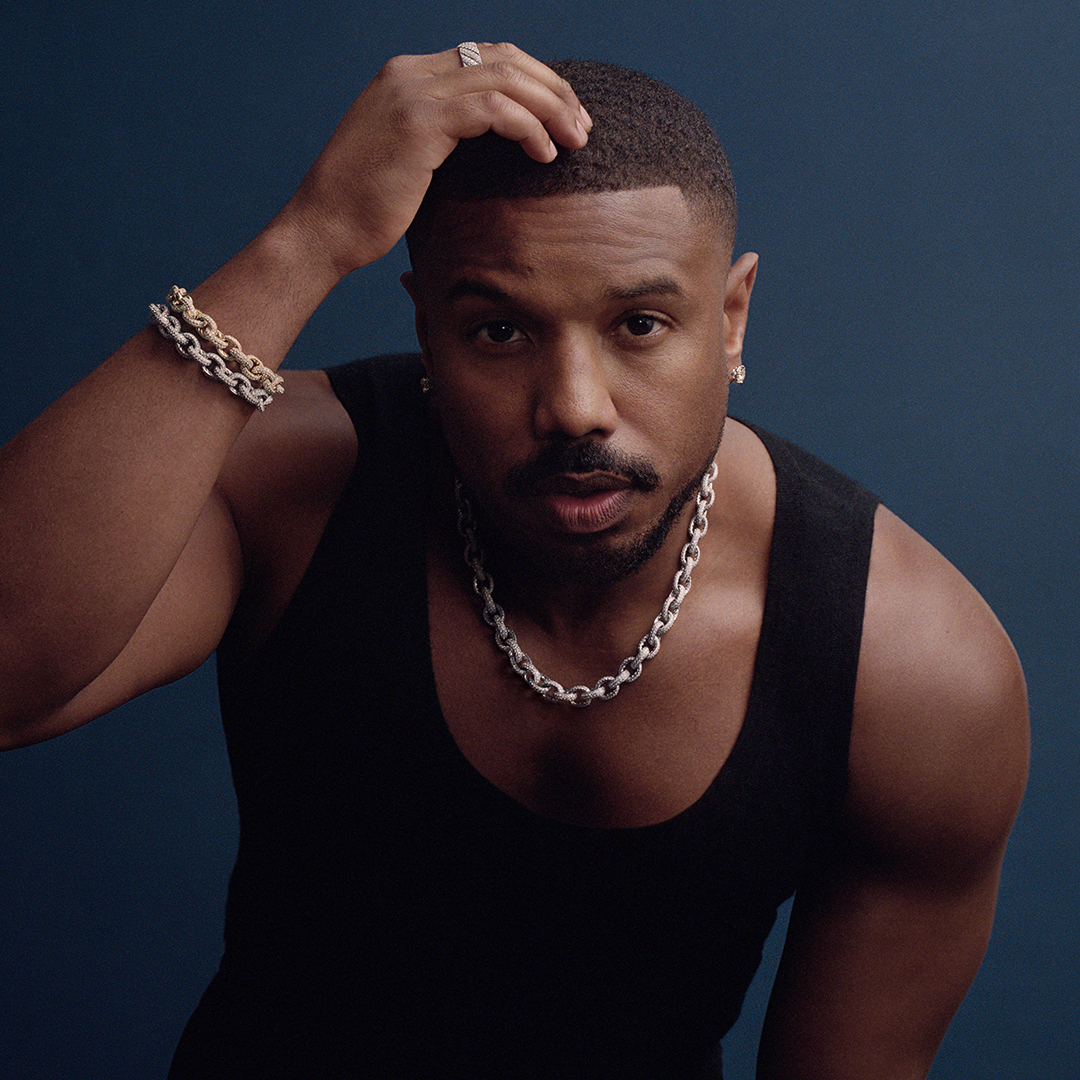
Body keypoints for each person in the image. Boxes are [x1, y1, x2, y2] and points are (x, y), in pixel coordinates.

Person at [0, 42, 1029, 1079]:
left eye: (639, 324)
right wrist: (309, 238)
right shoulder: (287, 487)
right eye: (499, 332)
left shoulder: (912, 672)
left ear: (730, 320)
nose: (575, 406)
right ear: (427, 330)